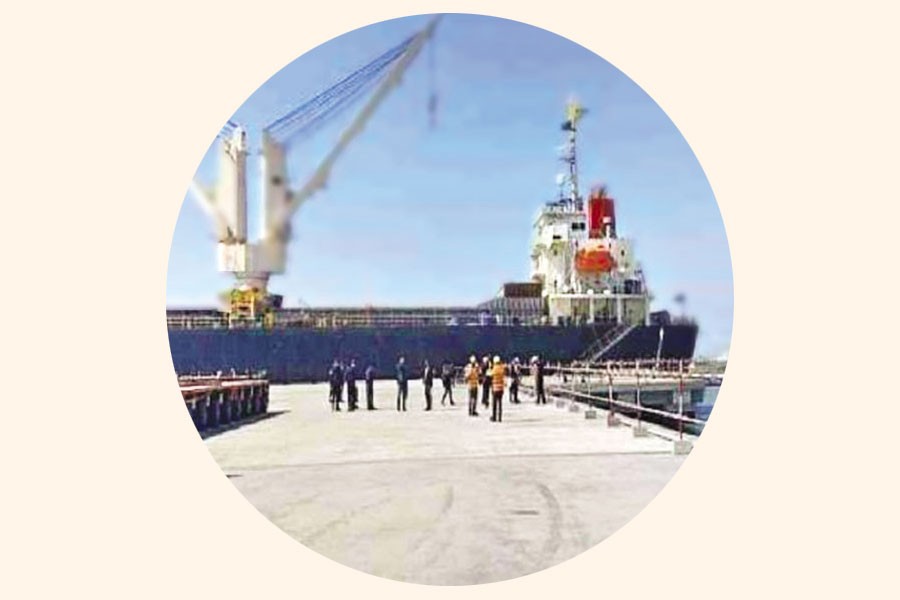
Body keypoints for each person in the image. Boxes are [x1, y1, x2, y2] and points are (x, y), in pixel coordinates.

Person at [490, 355, 505, 422]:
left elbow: (490, 375)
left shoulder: (494, 369)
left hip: (495, 388)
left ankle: (494, 417)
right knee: (500, 403)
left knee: (494, 404)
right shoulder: (502, 368)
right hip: (501, 388)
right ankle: (500, 417)